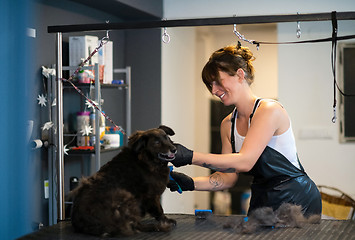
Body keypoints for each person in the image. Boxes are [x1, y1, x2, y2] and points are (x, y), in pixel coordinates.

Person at [168, 44, 322, 217]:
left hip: (297, 200)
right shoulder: (227, 124)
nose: (213, 91)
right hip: (262, 198)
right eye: (210, 85)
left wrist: (190, 157)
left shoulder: (269, 110)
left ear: (240, 75)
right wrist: (190, 183)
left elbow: (245, 161)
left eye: (218, 82)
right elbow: (228, 177)